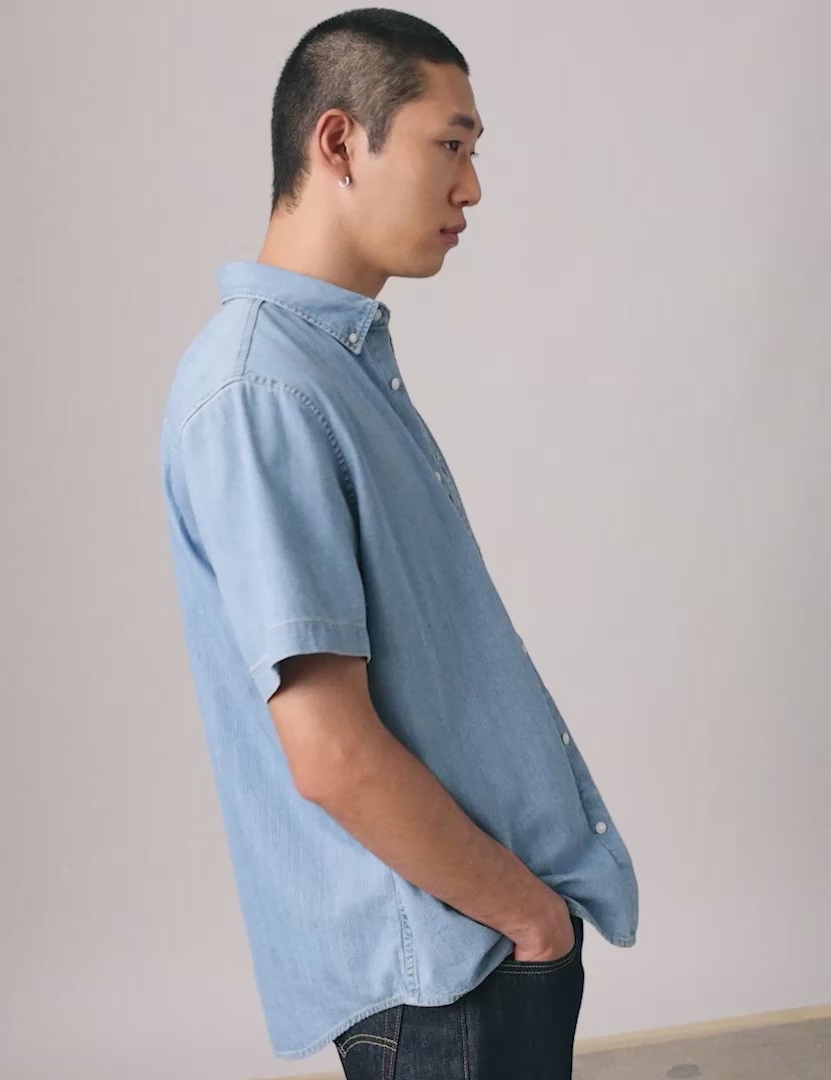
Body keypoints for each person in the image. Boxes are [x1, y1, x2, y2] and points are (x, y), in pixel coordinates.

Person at [157, 9, 639, 1076]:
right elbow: (329, 750)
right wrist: (526, 917)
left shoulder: (329, 369)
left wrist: (532, 920)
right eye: (449, 145)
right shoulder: (261, 391)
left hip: (474, 947)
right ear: (339, 142)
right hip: (443, 973)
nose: (472, 189)